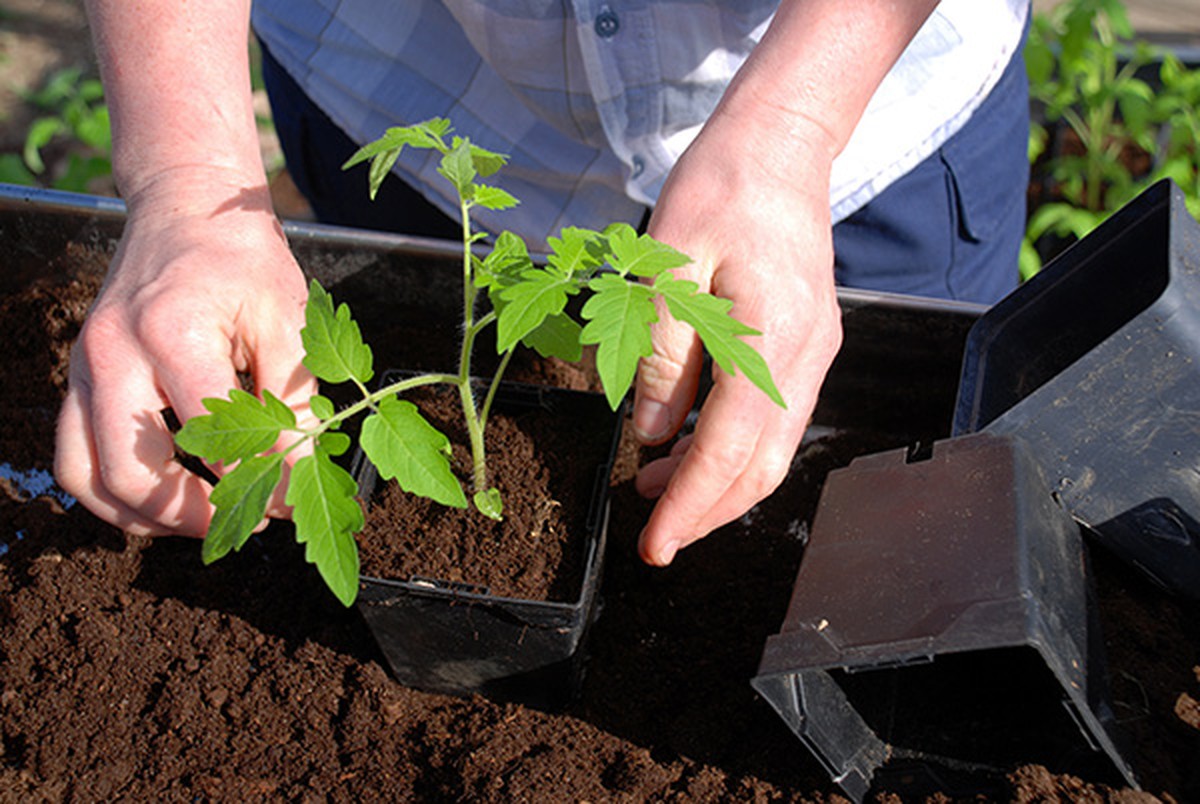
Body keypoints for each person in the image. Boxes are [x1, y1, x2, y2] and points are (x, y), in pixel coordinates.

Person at [56, 0, 1030, 567]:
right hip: (416, 73)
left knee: (900, 514)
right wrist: (184, 178)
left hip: (861, 95)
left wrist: (793, 129)